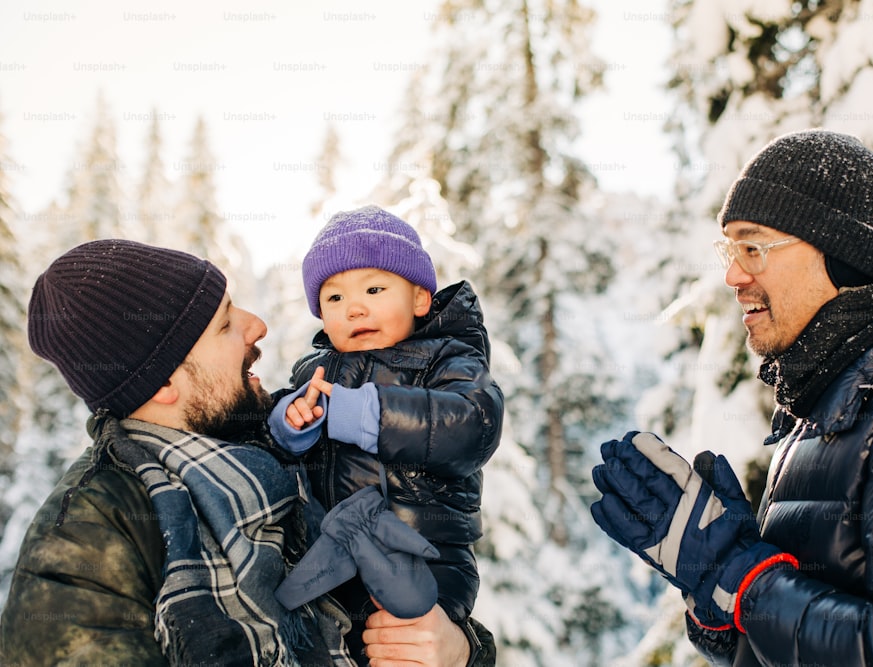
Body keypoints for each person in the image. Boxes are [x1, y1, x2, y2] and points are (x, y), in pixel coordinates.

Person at [590, 129, 873, 666]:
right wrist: (717, 599)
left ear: (841, 254)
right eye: (730, 250)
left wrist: (740, 578)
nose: (734, 275)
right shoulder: (832, 403)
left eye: (753, 247)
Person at [0, 239, 495, 667]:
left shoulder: (271, 446)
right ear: (165, 380)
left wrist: (461, 650)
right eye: (223, 323)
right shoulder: (90, 540)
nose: (257, 325)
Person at [266, 205, 504, 665]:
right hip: (333, 560)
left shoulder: (447, 359)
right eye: (333, 299)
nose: (353, 307)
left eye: (374, 289)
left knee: (401, 644)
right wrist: (291, 425)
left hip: (424, 552)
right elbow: (273, 443)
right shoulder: (312, 372)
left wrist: (367, 412)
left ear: (418, 300)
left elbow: (473, 425)